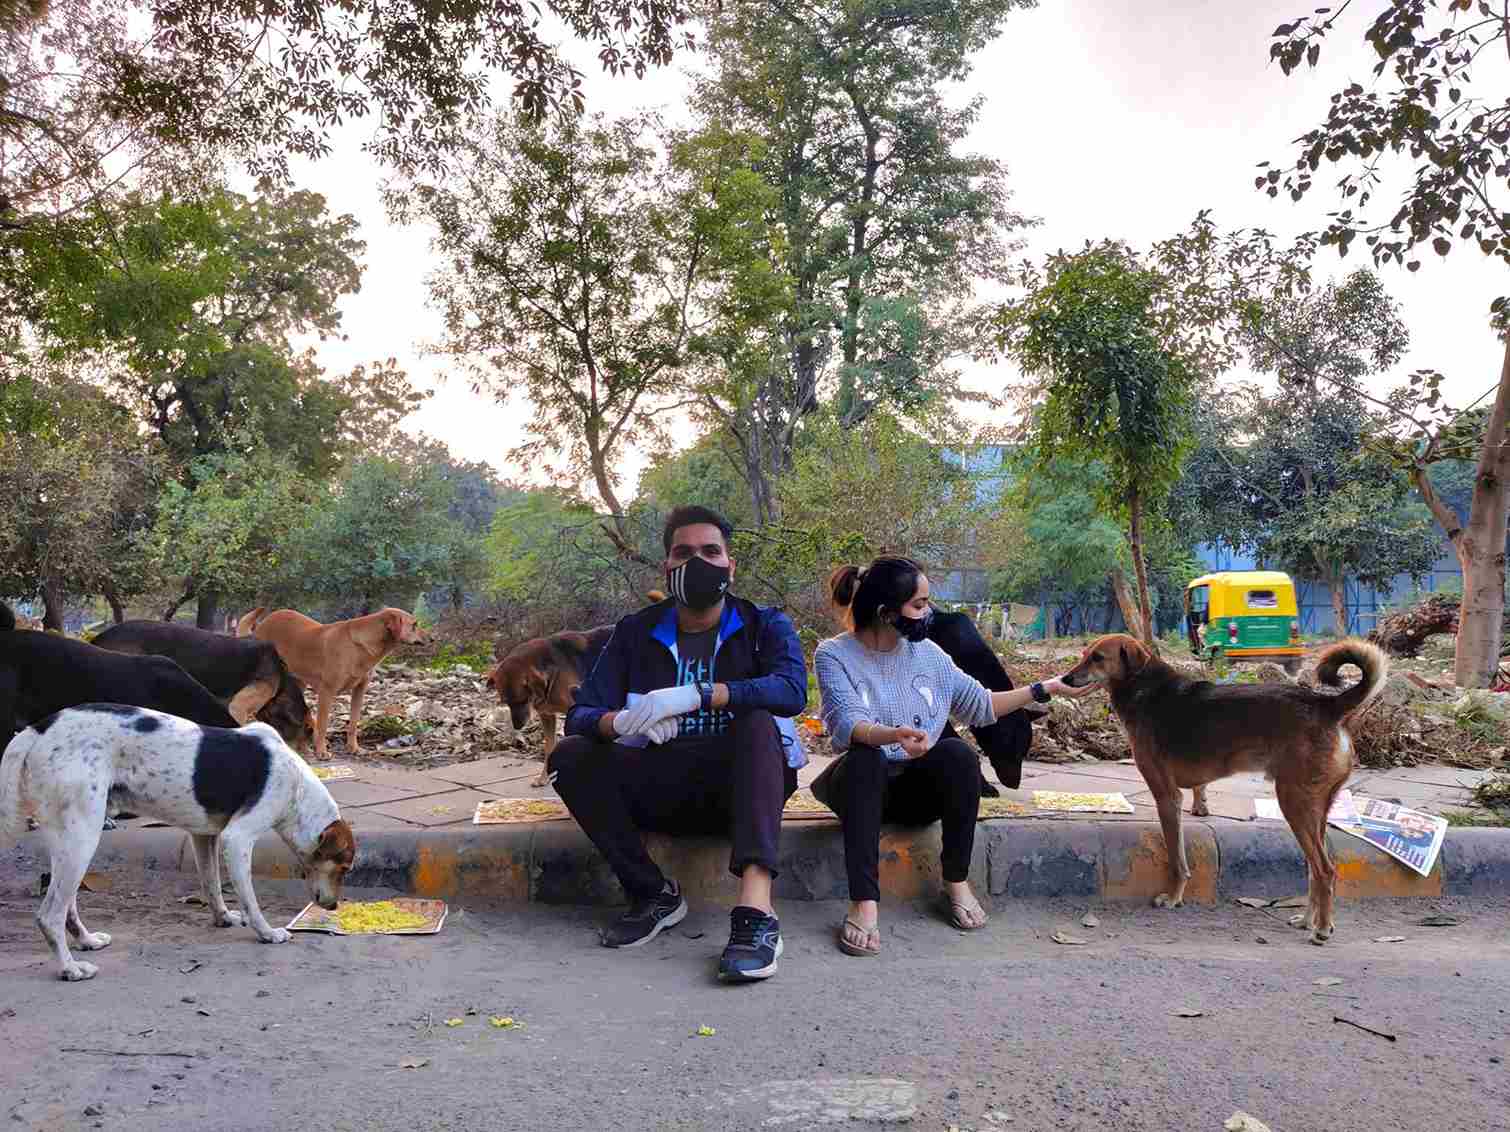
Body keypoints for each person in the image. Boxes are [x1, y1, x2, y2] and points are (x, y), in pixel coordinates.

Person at [551, 505, 807, 982]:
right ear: (667, 568)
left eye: (711, 552)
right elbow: (579, 716)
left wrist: (703, 694)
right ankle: (653, 893)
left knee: (757, 723)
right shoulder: (635, 632)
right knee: (570, 757)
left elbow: (792, 692)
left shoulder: (764, 625)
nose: (698, 562)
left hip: (744, 790)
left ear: (731, 566)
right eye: (683, 553)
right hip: (660, 781)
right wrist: (622, 721)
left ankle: (756, 913)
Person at [813, 557, 1094, 957]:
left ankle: (956, 882)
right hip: (861, 787)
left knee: (958, 754)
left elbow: (980, 704)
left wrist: (1044, 688)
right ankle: (864, 902)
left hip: (914, 790)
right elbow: (847, 723)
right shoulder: (834, 654)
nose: (928, 613)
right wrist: (890, 735)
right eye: (919, 604)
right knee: (865, 758)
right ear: (885, 612)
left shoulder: (927, 654)